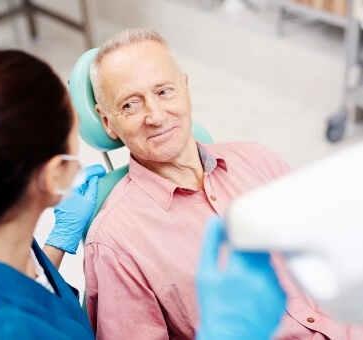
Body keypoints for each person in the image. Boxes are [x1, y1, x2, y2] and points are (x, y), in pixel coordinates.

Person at [78, 28, 363, 339]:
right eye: (130, 105)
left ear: (186, 89)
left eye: (164, 91)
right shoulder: (115, 243)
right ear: (107, 121)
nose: (155, 115)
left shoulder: (257, 158)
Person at [0, 50, 105, 339]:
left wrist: (58, 243)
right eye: (74, 134)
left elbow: (17, 291)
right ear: (53, 175)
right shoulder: (9, 330)